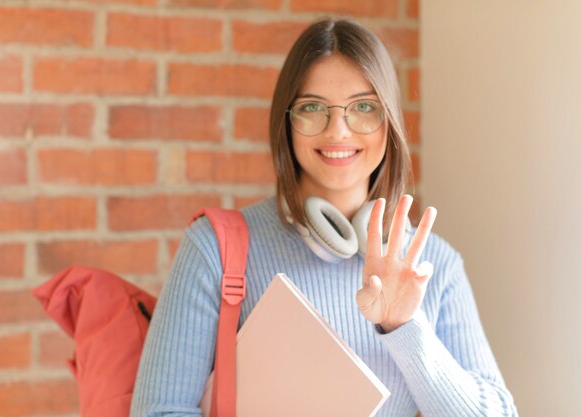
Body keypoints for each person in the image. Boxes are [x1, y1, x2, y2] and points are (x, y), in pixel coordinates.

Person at [130, 18, 518, 417]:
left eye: (364, 107)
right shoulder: (216, 247)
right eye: (313, 108)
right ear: (287, 122)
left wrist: (404, 327)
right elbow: (158, 411)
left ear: (389, 122)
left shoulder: (433, 265)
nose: (338, 131)